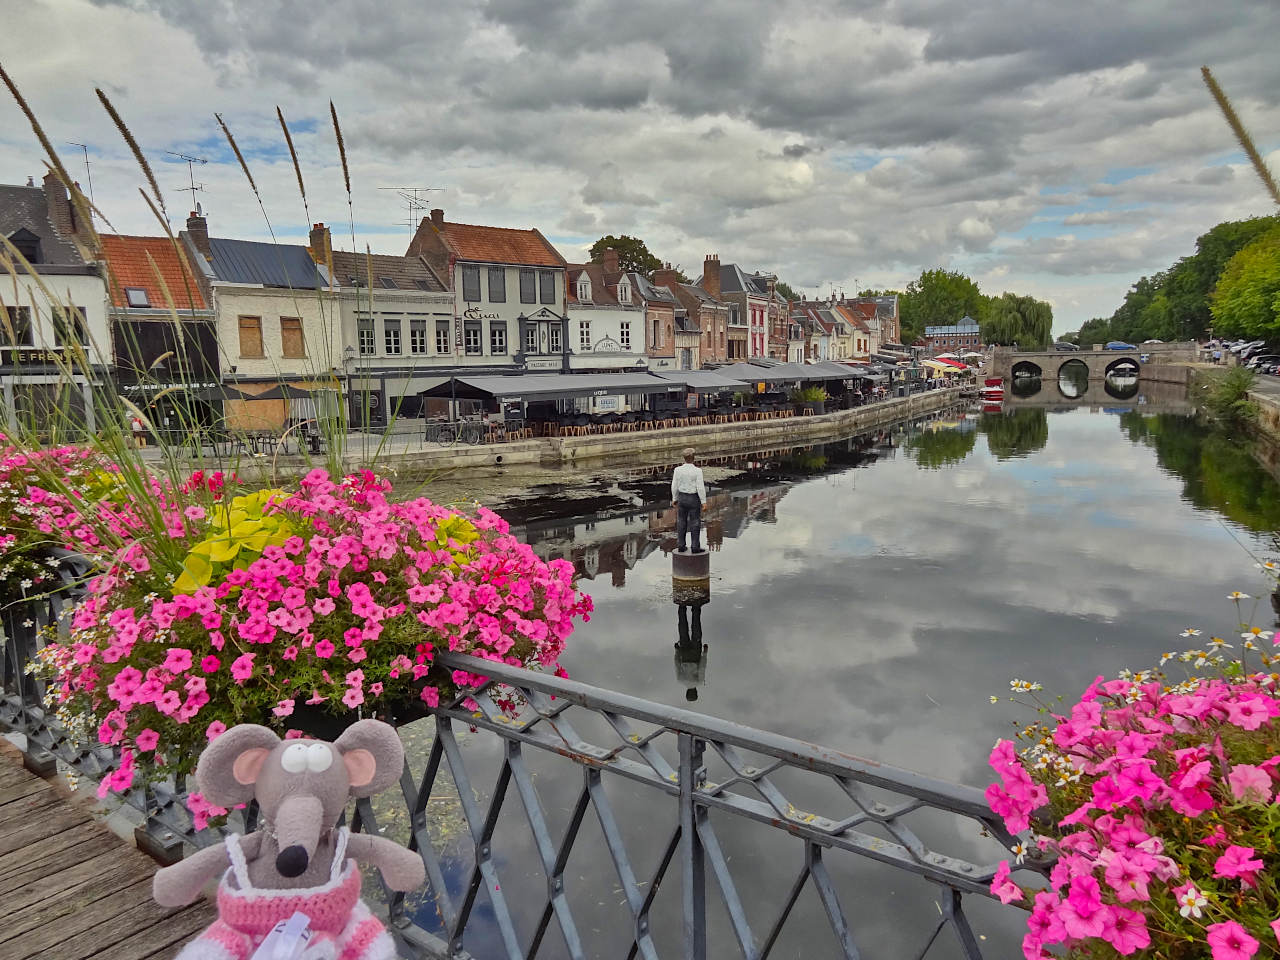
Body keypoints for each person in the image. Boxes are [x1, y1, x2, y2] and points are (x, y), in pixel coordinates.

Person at [671, 447, 707, 553]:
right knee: (695, 521)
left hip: (682, 498)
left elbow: (674, 485)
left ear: (684, 458)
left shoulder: (677, 470)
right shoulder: (697, 471)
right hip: (693, 498)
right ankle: (695, 546)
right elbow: (700, 487)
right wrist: (703, 501)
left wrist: (674, 498)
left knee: (681, 521)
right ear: (694, 458)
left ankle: (681, 545)